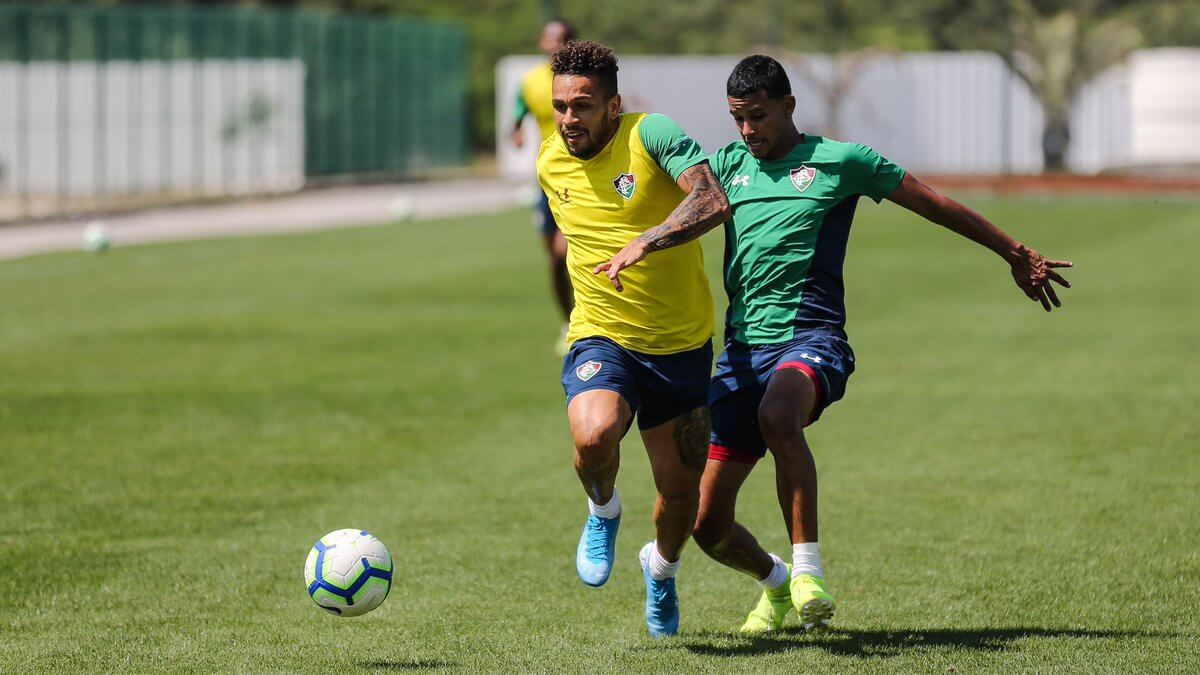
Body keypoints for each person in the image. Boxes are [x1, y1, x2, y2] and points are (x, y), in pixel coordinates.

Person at [603, 54, 1072, 634]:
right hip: (742, 354)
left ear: (789, 106)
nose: (747, 130)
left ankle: (808, 574)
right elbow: (677, 199)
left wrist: (1013, 252)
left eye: (758, 116)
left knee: (779, 415)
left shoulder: (842, 161)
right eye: (737, 118)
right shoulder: (725, 167)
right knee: (707, 524)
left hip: (812, 340)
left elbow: (934, 204)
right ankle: (777, 584)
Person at [537, 40, 730, 637]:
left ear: (613, 106)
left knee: (681, 498)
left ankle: (661, 570)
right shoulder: (548, 159)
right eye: (561, 106)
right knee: (593, 435)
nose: (569, 118)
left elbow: (712, 198)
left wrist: (647, 240)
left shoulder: (652, 134)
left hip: (680, 345)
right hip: (603, 334)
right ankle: (603, 510)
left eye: (583, 105)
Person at [512, 19, 576, 354]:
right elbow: (518, 114)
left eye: (560, 38)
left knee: (566, 253)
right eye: (548, 38)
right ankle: (568, 322)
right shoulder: (531, 82)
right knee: (553, 261)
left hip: (580, 176)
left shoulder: (583, 80)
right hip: (546, 180)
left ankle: (590, 321)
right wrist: (516, 131)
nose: (553, 44)